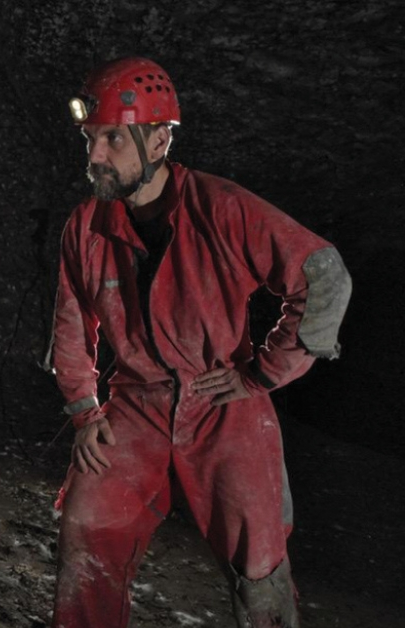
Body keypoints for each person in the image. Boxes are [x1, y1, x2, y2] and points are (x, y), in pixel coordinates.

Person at [47, 57, 352, 628]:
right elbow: (70, 324)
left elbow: (323, 274)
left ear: (159, 138)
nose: (95, 156)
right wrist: (85, 411)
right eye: (91, 139)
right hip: (134, 407)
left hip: (222, 403)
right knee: (87, 527)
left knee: (258, 563)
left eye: (113, 138)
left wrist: (262, 373)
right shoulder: (86, 226)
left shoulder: (222, 207)